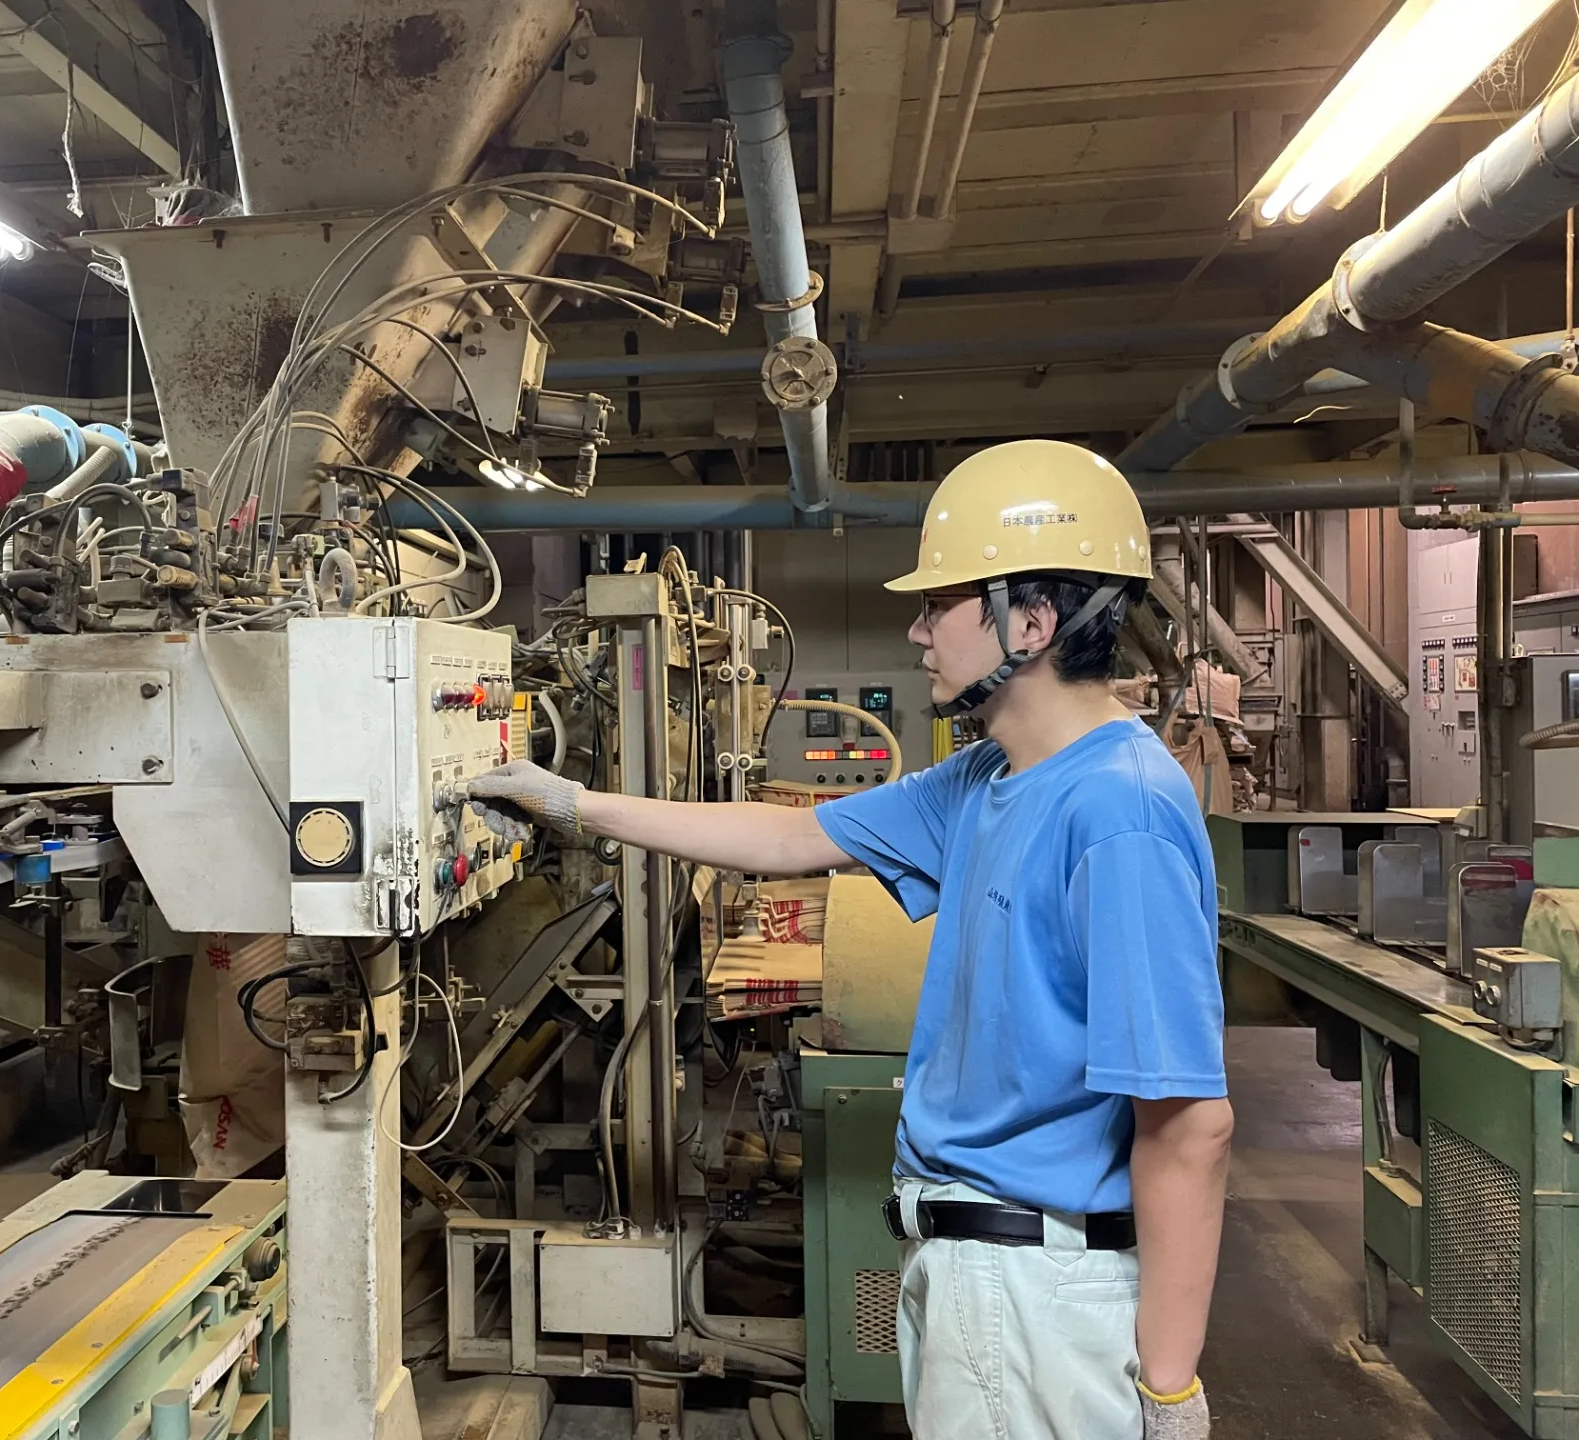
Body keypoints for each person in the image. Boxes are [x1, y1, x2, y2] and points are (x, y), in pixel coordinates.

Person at [469, 438, 1231, 1440]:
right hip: (968, 1268)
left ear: (1031, 621)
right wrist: (576, 804)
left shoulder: (1118, 810)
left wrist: (1169, 1386)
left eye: (939, 605)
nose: (916, 630)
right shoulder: (986, 780)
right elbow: (790, 834)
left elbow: (1187, 1125)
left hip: (1035, 1287)